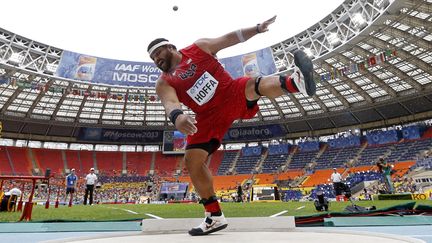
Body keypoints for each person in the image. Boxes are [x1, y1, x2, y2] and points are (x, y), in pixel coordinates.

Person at [148, 15, 316, 236]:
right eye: (152, 58)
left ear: (170, 47)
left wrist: (256, 28)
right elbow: (170, 103)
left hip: (230, 93)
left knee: (253, 84)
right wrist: (178, 117)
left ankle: (296, 82)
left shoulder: (199, 48)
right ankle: (214, 216)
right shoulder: (164, 81)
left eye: (158, 53)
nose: (156, 59)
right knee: (192, 160)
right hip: (207, 117)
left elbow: (229, 38)